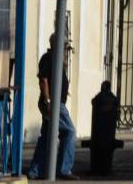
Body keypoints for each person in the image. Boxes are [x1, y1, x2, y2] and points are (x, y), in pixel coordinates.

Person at [28, 37, 77, 180]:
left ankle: (35, 171)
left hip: (54, 102)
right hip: (54, 104)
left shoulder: (55, 60)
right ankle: (64, 169)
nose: (66, 50)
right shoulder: (49, 58)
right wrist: (48, 101)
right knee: (69, 132)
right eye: (65, 46)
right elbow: (43, 80)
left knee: (47, 137)